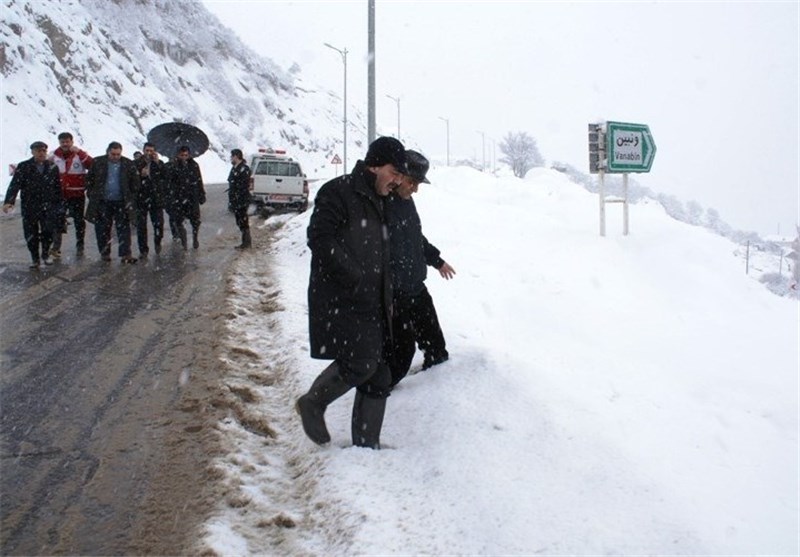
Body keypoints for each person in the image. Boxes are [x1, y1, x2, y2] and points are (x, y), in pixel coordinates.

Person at [296, 136, 408, 449]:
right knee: (361, 364)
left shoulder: (383, 199)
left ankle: (366, 445)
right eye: (394, 172)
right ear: (375, 165)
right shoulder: (338, 191)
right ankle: (313, 403)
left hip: (374, 299)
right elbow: (319, 238)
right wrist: (354, 275)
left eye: (401, 176)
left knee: (380, 374)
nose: (397, 180)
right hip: (343, 298)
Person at [385, 150, 455, 387]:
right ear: (399, 176)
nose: (416, 189)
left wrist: (437, 261)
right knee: (402, 351)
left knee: (436, 346)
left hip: (416, 286)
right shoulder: (381, 203)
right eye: (413, 182)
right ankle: (379, 391)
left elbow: (416, 239)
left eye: (418, 184)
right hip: (395, 293)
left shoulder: (407, 202)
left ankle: (434, 385)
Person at [2, 141, 62, 269]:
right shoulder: (24, 167)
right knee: (31, 234)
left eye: (44, 151)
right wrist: (9, 201)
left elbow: (57, 188)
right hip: (30, 206)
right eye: (38, 151)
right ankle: (35, 258)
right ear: (33, 152)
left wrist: (59, 206)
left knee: (48, 232)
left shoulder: (52, 167)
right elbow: (15, 185)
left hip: (48, 206)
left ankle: (45, 254)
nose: (41, 153)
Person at [84, 141, 140, 264]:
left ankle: (126, 254)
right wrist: (92, 194)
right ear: (108, 152)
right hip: (103, 201)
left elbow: (135, 183)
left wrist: (130, 196)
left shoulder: (127, 164)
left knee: (124, 229)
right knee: (102, 228)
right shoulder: (98, 162)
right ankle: (105, 253)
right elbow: (89, 180)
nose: (115, 157)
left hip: (121, 202)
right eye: (113, 154)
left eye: (118, 154)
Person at [50, 132, 93, 257]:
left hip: (77, 194)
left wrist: (81, 152)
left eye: (67, 141)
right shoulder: (54, 156)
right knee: (58, 220)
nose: (65, 144)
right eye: (62, 142)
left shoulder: (79, 155)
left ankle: (80, 244)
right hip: (60, 195)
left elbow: (92, 165)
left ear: (72, 142)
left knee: (79, 220)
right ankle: (56, 247)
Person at [164, 146, 205, 250]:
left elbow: (199, 180)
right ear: (178, 155)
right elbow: (168, 182)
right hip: (178, 197)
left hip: (192, 197)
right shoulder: (172, 165)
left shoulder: (194, 165)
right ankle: (184, 241)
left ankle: (195, 237)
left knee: (195, 220)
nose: (184, 157)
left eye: (186, 155)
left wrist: (201, 194)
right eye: (182, 155)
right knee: (178, 220)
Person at [134, 142, 166, 256]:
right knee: (141, 226)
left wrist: (157, 163)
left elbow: (165, 177)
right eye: (147, 150)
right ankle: (143, 250)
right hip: (141, 198)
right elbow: (131, 181)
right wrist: (140, 176)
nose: (149, 153)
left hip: (156, 198)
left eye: (151, 151)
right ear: (143, 150)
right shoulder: (136, 163)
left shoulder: (159, 163)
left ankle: (158, 241)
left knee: (158, 224)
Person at [227, 149, 252, 250]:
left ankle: (246, 242)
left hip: (241, 200)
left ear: (237, 156)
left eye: (232, 156)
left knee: (243, 221)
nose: (231, 158)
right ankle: (245, 242)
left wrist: (237, 194)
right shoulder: (234, 168)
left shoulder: (244, 169)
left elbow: (243, 185)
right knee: (239, 220)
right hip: (235, 200)